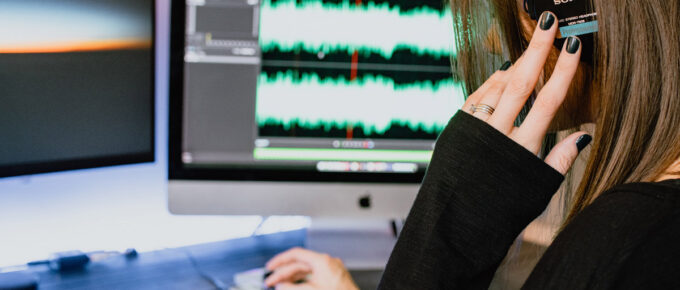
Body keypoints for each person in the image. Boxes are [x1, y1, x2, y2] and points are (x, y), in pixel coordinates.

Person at [263, 0, 680, 288]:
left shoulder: (622, 240)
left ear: (576, 19)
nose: (492, 44)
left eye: (517, 12)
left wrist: (453, 221)